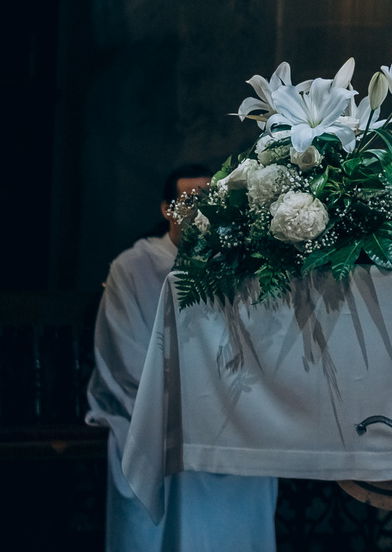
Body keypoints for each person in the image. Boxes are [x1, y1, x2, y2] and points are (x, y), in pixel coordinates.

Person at [85, 163, 277, 552]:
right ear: (166, 209)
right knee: (178, 450)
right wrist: (190, 404)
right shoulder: (132, 268)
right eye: (189, 200)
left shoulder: (239, 266)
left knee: (254, 450)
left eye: (209, 200)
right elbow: (126, 357)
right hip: (154, 409)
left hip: (228, 409)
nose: (200, 210)